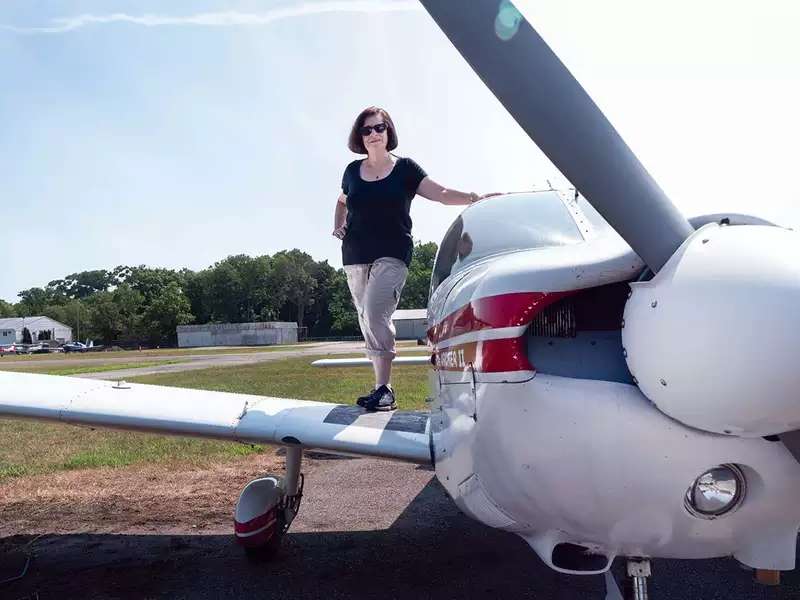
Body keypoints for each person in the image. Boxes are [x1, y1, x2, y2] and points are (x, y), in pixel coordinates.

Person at [333, 106, 498, 411]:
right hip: (355, 254)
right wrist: (338, 223)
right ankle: (380, 388)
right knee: (365, 318)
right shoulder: (352, 171)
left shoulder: (406, 169)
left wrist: (475, 198)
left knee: (375, 311)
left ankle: (385, 389)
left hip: (393, 252)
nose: (373, 135)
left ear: (388, 131)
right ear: (360, 136)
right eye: (366, 130)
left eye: (378, 128)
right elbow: (342, 200)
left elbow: (442, 192)